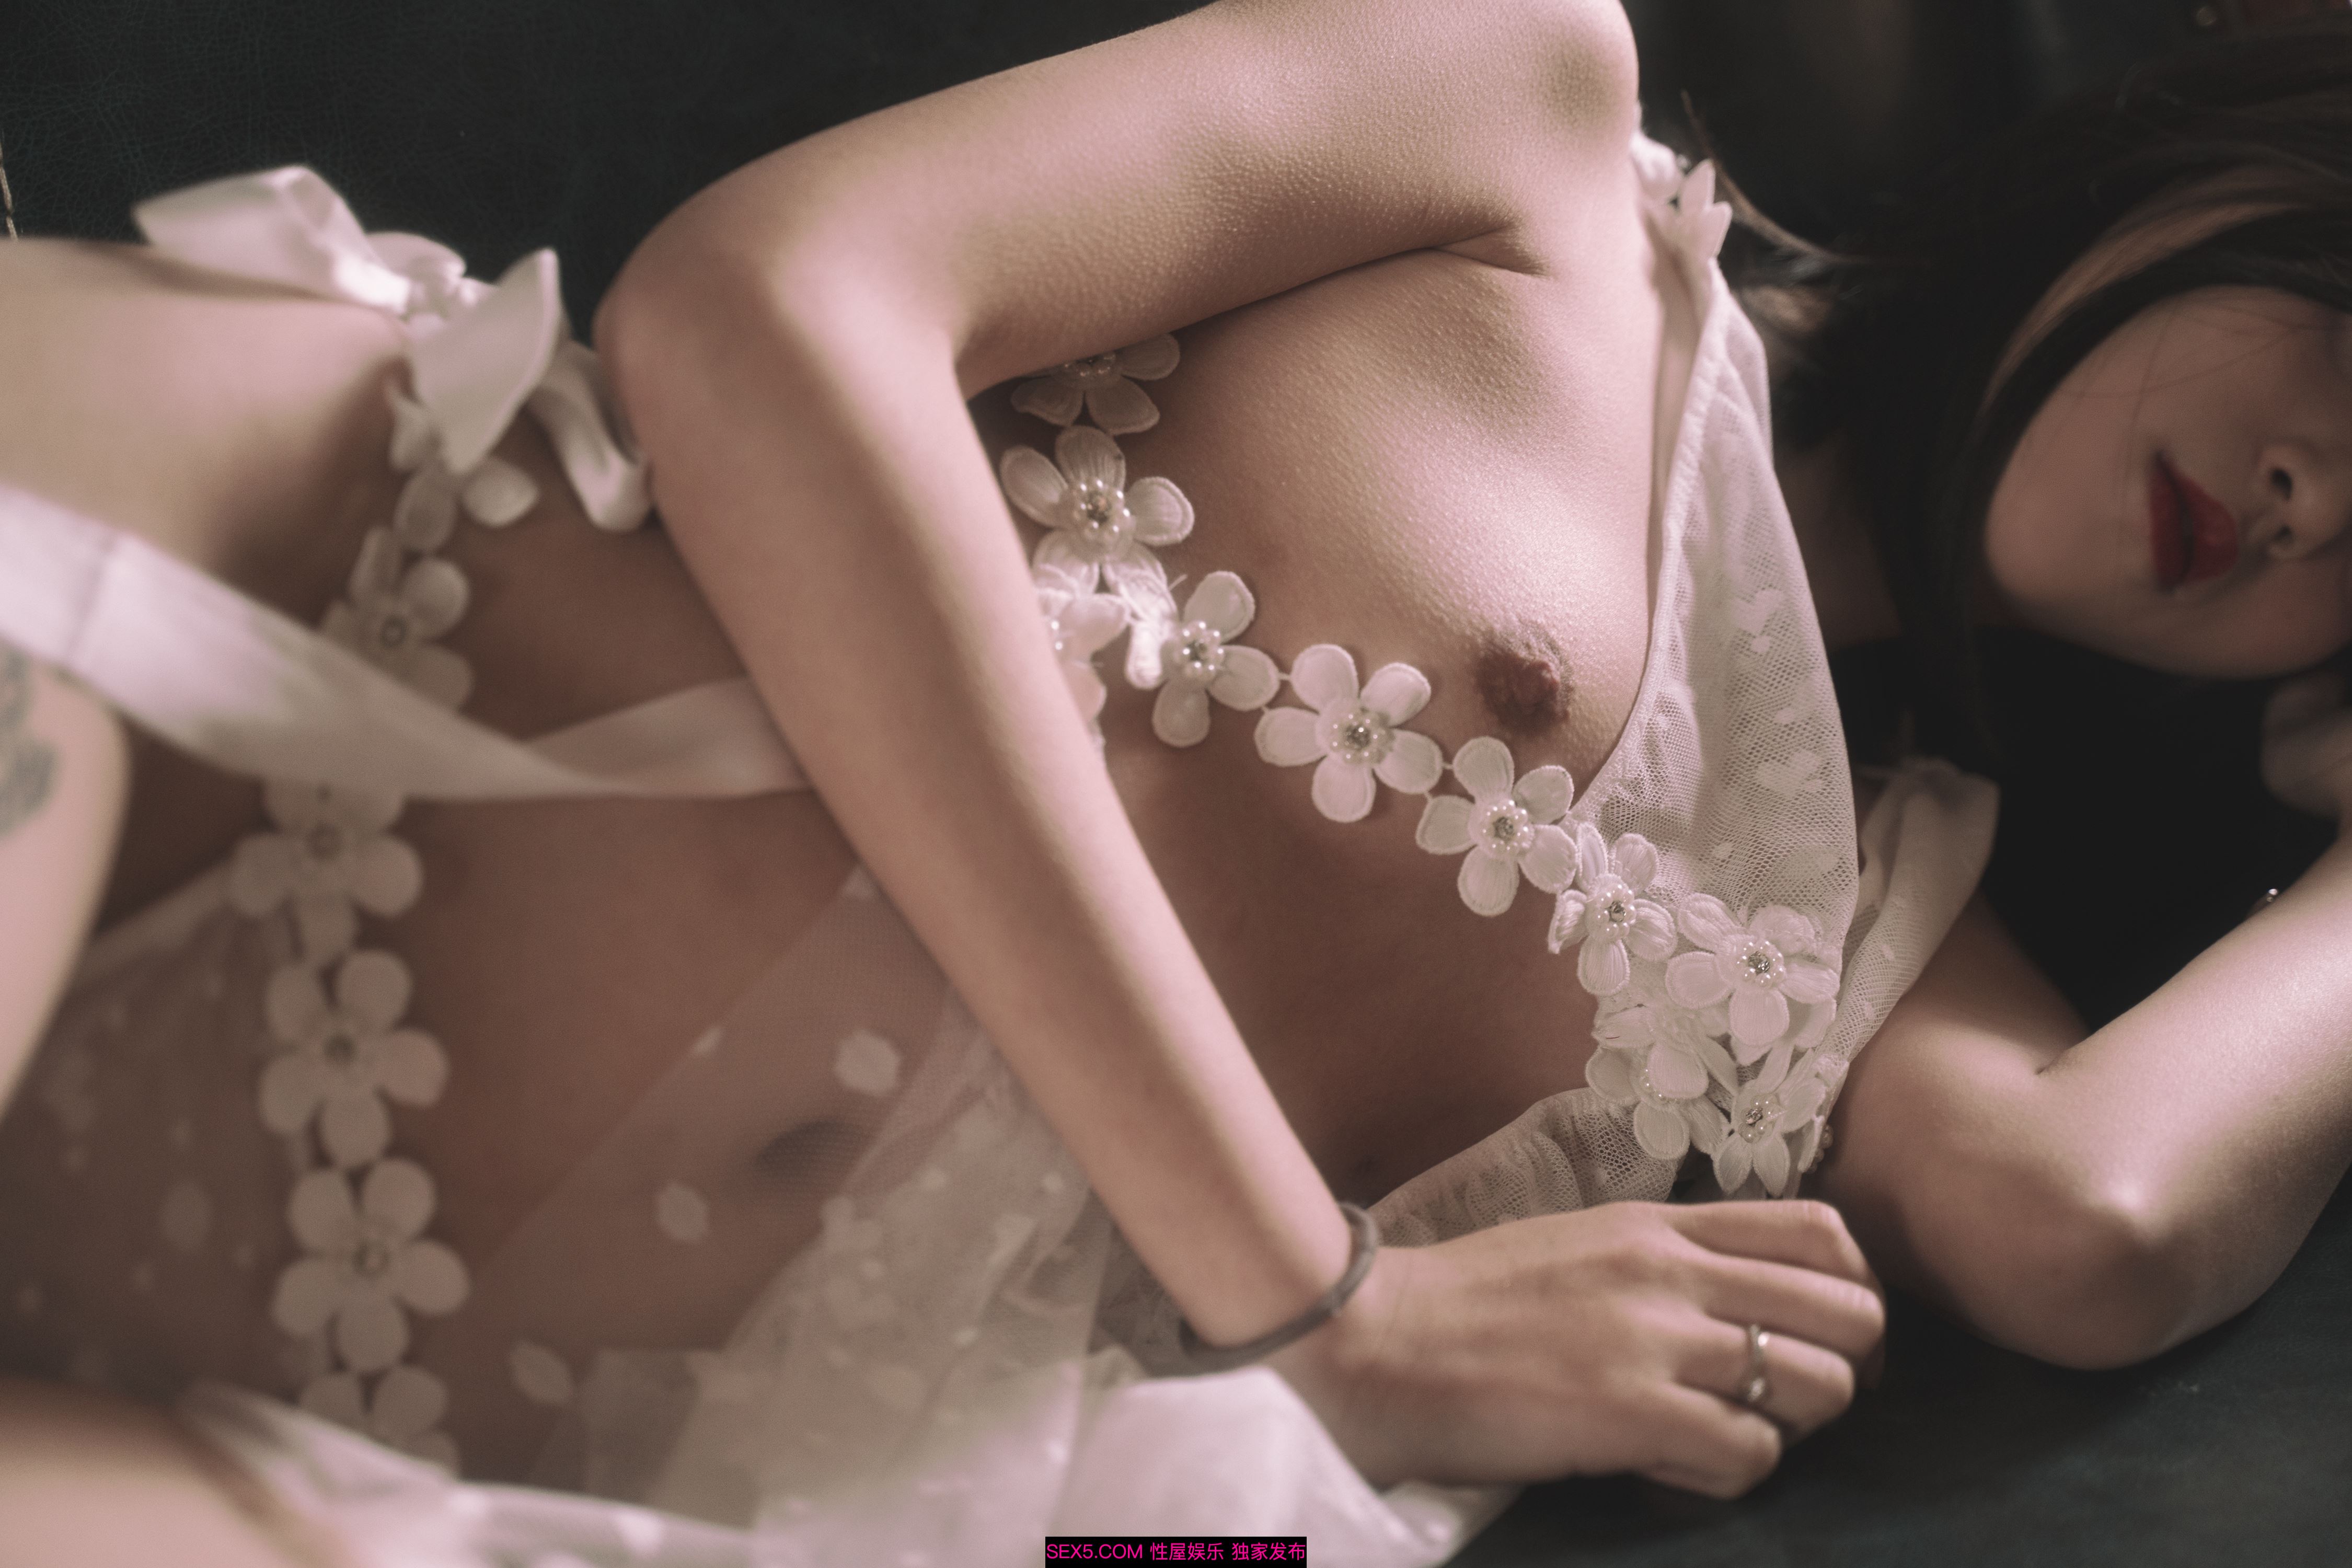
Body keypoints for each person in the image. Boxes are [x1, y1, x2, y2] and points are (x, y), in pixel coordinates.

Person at [0, 3, 2347, 1564]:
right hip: (203, 633)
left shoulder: (1866, 918)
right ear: (2228, 167)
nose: (2313, 500)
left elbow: (2090, 1224)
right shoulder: (1522, 115)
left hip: (302, 1401)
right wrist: (1318, 1310)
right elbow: (763, 310)